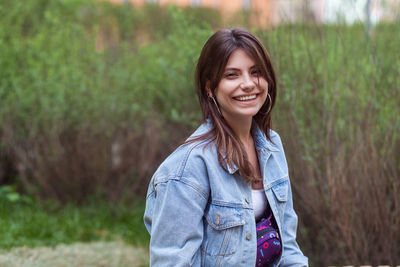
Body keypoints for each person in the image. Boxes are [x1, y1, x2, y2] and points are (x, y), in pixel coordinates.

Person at [144, 28, 308, 267]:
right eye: (232, 75)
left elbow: (288, 248)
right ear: (210, 87)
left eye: (256, 72)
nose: (248, 84)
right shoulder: (188, 168)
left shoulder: (272, 146)